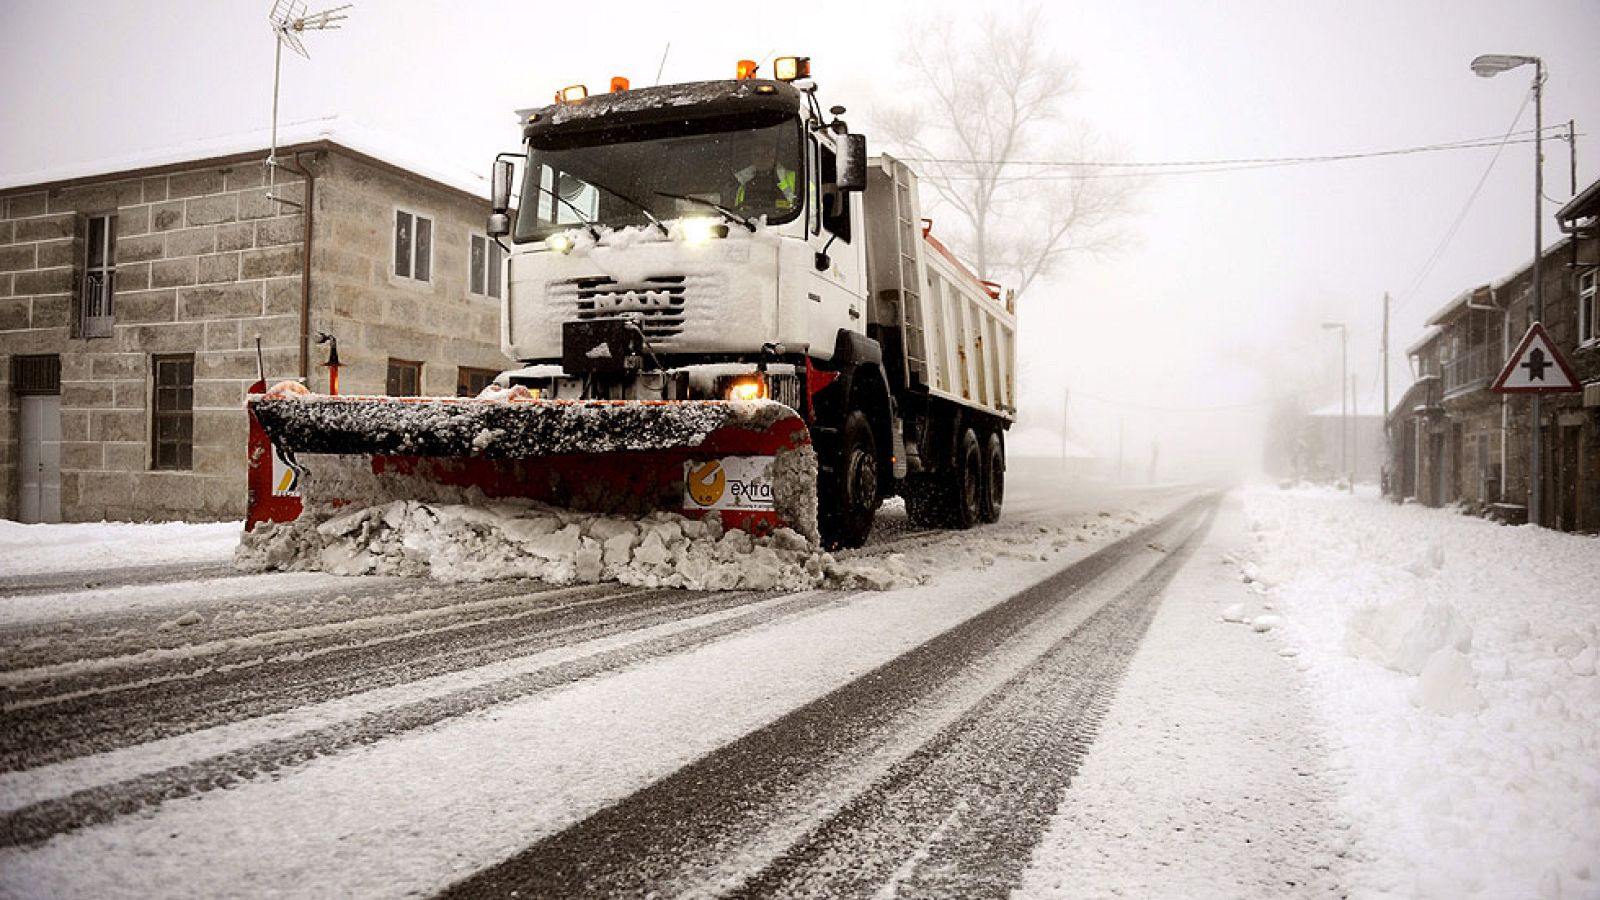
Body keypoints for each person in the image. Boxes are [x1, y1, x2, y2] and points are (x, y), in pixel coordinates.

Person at [731, 141, 797, 213]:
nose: (762, 159)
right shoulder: (744, 184)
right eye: (757, 155)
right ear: (752, 158)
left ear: (774, 156)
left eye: (766, 154)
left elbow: (809, 209)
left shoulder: (795, 178)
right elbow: (738, 214)